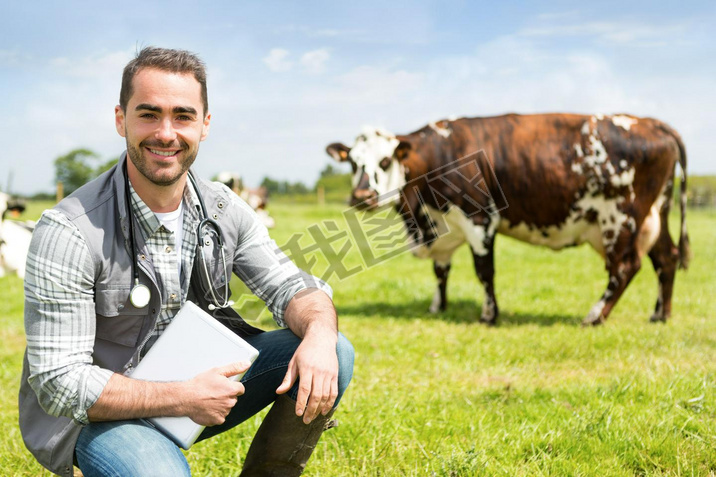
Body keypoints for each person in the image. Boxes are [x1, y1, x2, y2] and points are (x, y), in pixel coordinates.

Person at [19, 46, 354, 477]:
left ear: (204, 125)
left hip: (196, 388)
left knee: (331, 350)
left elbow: (292, 286)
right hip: (97, 415)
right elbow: (58, 383)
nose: (165, 132)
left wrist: (321, 335)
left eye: (182, 116)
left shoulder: (223, 207)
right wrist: (180, 397)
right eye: (148, 114)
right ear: (120, 119)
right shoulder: (68, 230)